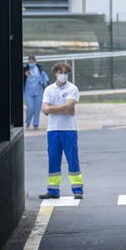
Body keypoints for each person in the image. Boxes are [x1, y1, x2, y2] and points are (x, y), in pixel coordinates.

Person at [39, 62, 83, 200]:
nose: (63, 75)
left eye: (66, 72)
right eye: (61, 72)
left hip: (69, 129)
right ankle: (52, 190)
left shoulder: (73, 89)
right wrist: (63, 108)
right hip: (53, 129)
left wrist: (52, 108)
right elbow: (45, 109)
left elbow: (64, 107)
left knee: (72, 159)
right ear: (55, 73)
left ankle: (77, 190)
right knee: (53, 160)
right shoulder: (49, 90)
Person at [23, 55, 49, 130]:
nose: (31, 63)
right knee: (30, 108)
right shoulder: (25, 69)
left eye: (32, 62)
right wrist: (25, 76)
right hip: (28, 92)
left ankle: (36, 124)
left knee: (37, 108)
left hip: (38, 91)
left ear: (35, 62)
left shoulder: (40, 69)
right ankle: (28, 120)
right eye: (29, 62)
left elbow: (45, 79)